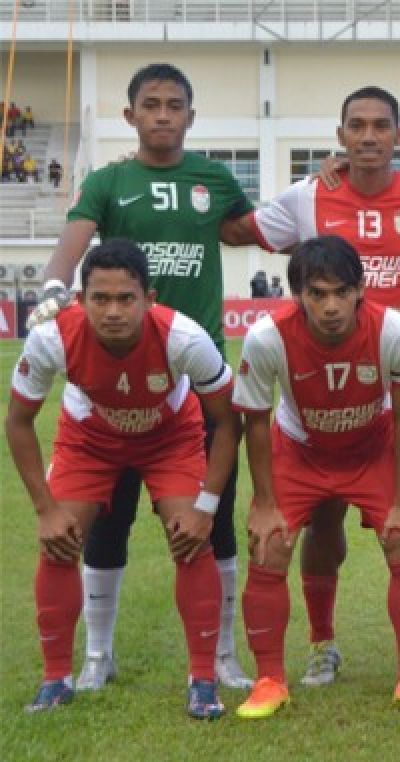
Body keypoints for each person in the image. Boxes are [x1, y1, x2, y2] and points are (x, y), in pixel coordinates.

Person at [224, 86, 400, 689]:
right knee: (323, 516)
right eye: (357, 126)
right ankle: (322, 644)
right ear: (340, 137)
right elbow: (238, 230)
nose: (368, 137)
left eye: (381, 126)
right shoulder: (308, 197)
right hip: (324, 393)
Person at [26, 63, 256, 692]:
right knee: (106, 523)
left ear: (190, 115)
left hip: (194, 370)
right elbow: (70, 247)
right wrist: (51, 288)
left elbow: (257, 230)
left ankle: (224, 656)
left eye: (173, 104)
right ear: (129, 116)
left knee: (215, 519)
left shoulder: (215, 179)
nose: (162, 114)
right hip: (111, 377)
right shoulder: (109, 181)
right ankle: (98, 658)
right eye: (149, 104)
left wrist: (326, 184)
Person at [6, 239, 239, 718]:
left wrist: (206, 509)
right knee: (60, 540)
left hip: (169, 436)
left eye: (125, 299)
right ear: (80, 299)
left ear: (148, 298)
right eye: (100, 298)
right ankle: (55, 679)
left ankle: (202, 679)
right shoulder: (51, 337)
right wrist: (46, 510)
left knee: (190, 538)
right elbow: (18, 422)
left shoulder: (183, 337)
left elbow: (229, 422)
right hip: (89, 439)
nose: (113, 311)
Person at [231, 236, 400, 718]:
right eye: (317, 294)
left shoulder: (395, 330)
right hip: (300, 451)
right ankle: (270, 680)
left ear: (361, 290)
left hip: (372, 447)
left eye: (341, 293)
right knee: (270, 543)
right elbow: (255, 422)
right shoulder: (266, 337)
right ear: (296, 294)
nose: (330, 306)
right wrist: (263, 502)